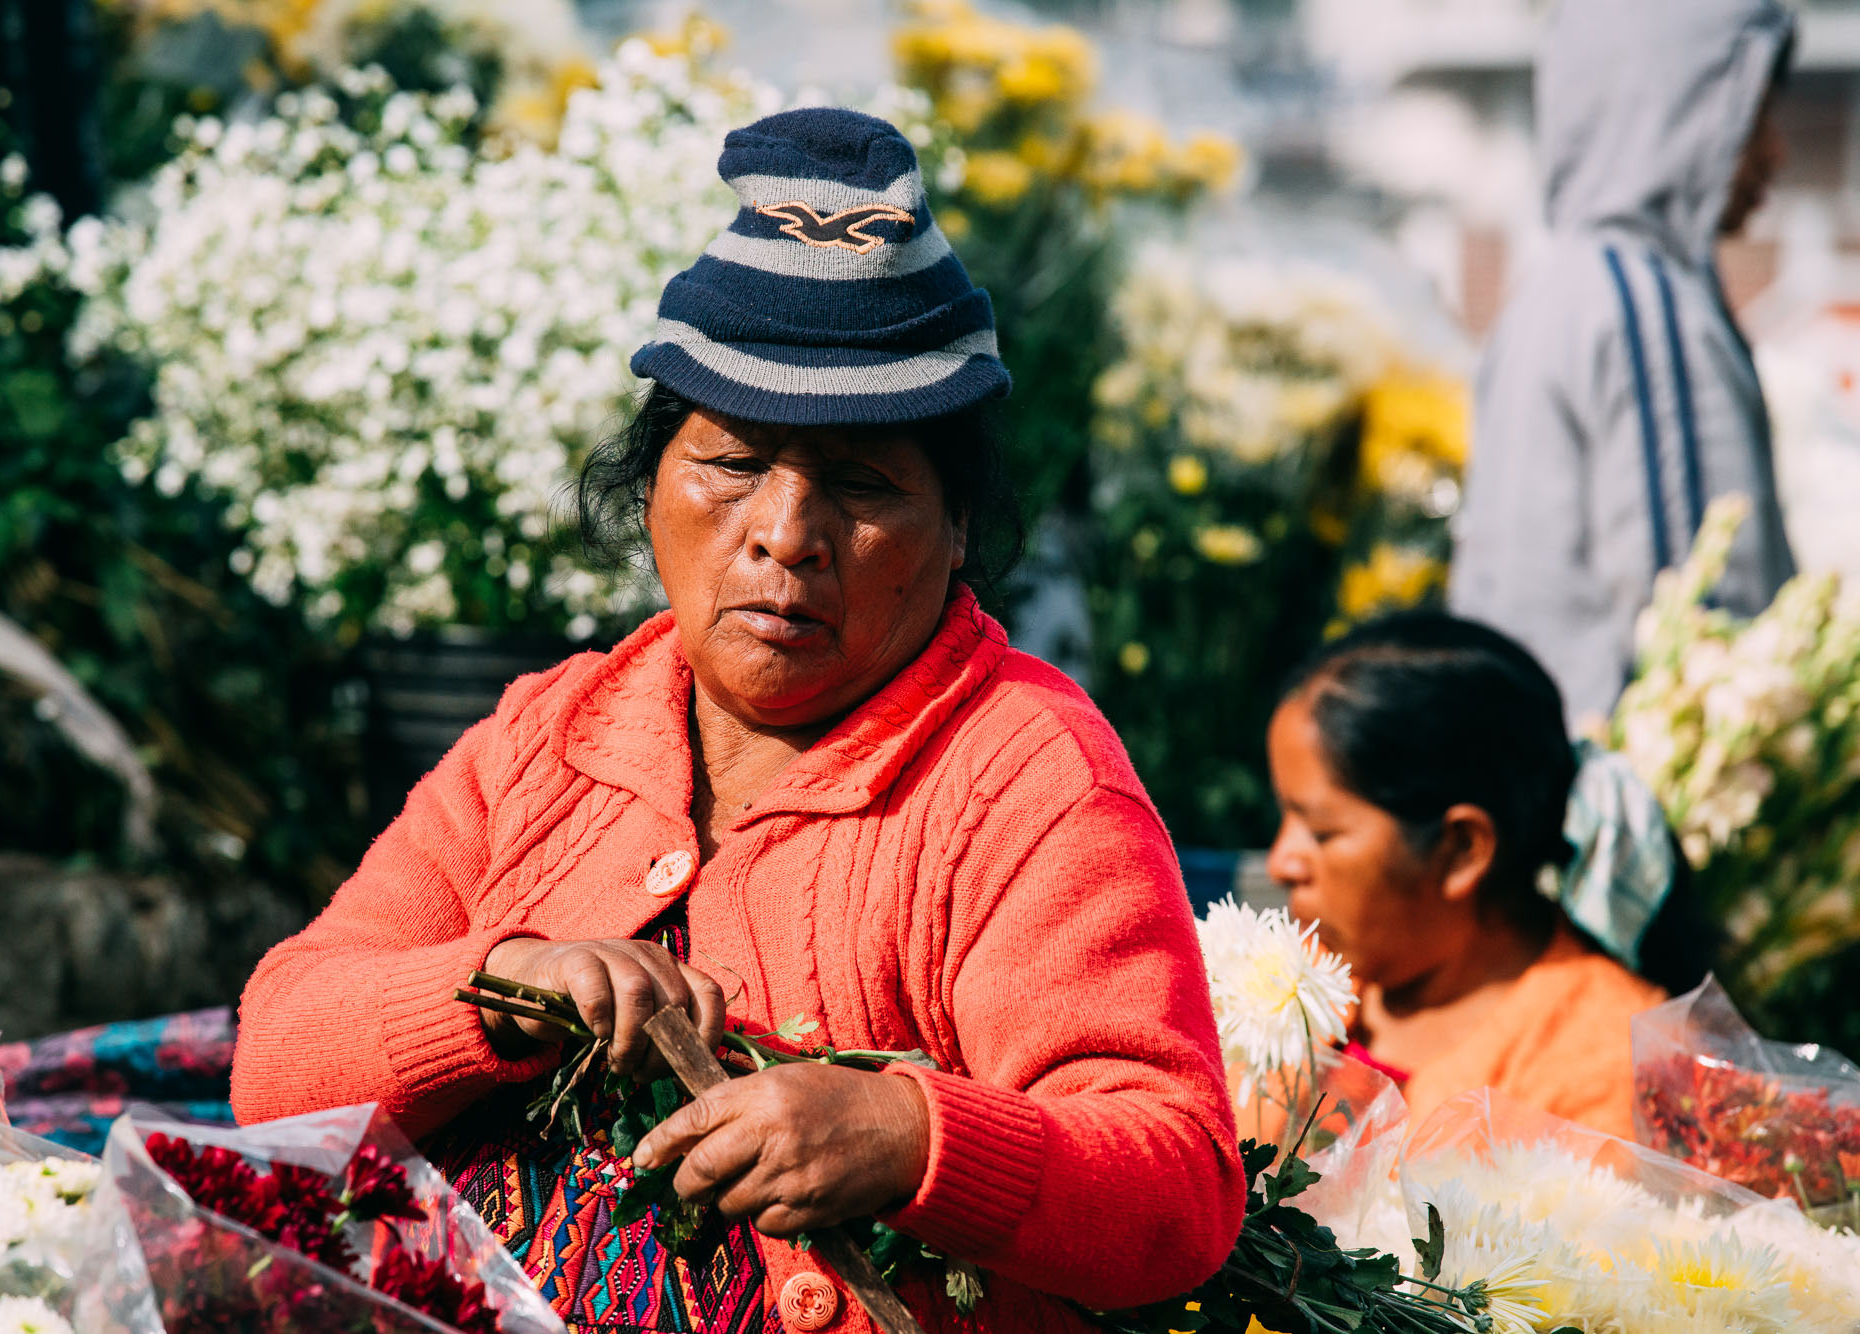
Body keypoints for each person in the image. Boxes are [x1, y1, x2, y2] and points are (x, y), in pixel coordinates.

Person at [232, 109, 1244, 1334]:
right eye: (730, 464)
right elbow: (277, 1059)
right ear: (650, 486)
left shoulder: (1023, 776)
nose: (784, 532)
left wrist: (906, 1134)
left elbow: (1175, 1184)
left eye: (863, 484)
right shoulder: (549, 733)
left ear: (959, 527)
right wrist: (496, 983)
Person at [1449, 0, 1797, 730]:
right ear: (1679, 103)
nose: (1774, 151)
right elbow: (1700, 637)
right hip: (1634, 807)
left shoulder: (1557, 287)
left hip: (1544, 778)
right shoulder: (1642, 306)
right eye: (1753, 109)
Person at [1265, 612, 1671, 1140]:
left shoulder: (1611, 1067)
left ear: (1461, 850)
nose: (1280, 862)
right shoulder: (1300, 984)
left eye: (1319, 832)